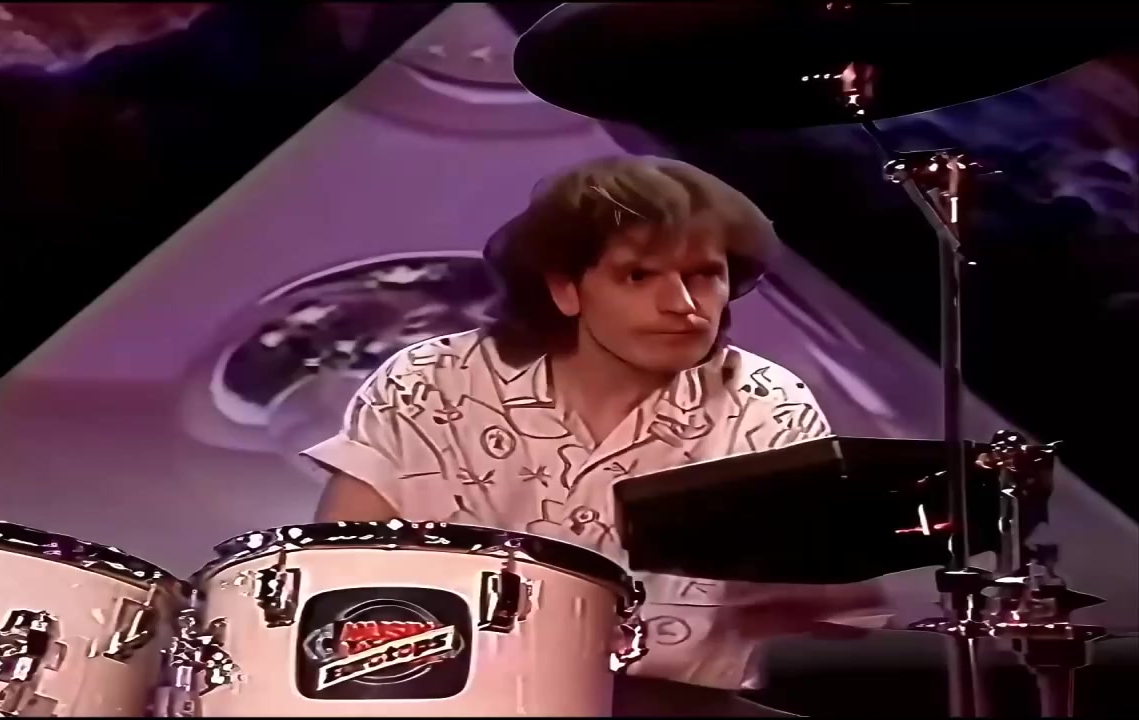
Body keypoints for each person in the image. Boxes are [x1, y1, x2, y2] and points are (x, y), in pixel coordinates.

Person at [301, 155, 892, 716]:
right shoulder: (432, 380)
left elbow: (838, 612)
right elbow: (334, 577)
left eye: (705, 275)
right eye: (639, 275)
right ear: (565, 288)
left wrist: (823, 596)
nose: (683, 304)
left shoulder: (767, 403)